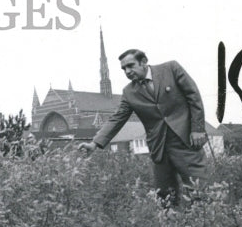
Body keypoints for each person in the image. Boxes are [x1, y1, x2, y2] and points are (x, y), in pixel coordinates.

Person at [79, 49, 208, 205]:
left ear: (144, 61)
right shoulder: (129, 92)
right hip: (159, 148)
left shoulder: (171, 69)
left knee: (199, 191)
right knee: (165, 197)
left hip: (186, 141)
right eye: (123, 69)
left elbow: (193, 97)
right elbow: (117, 119)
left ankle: (205, 226)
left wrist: (198, 129)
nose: (127, 71)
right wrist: (94, 143)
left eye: (131, 66)